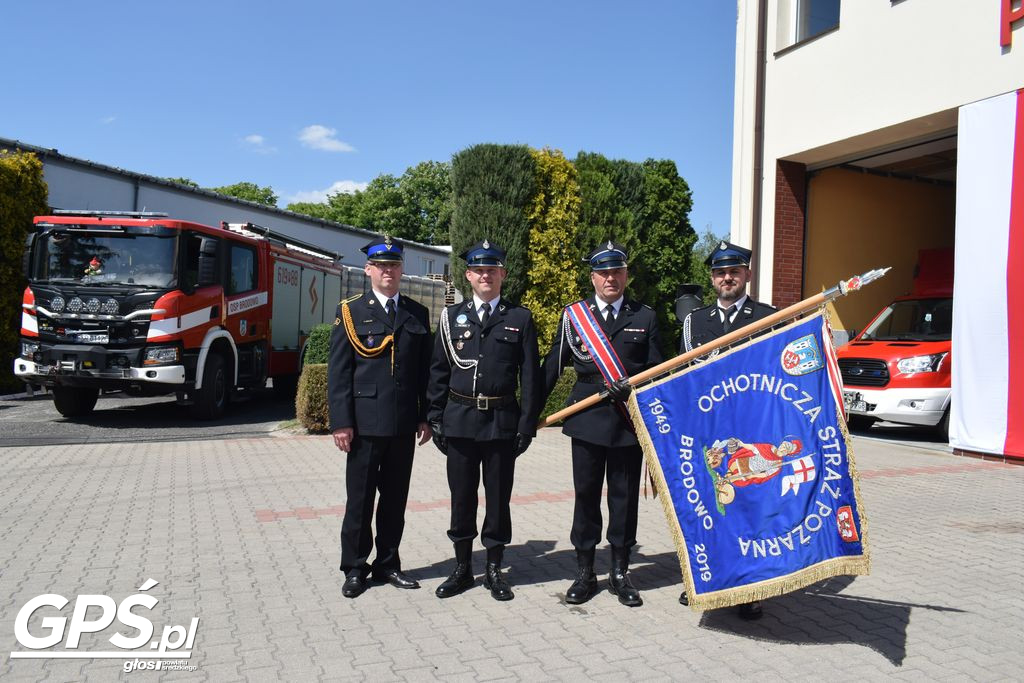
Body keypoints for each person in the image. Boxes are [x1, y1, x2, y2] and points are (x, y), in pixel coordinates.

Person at [541, 241, 663, 607]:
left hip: (627, 421)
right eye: (604, 273)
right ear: (593, 277)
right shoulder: (575, 316)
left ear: (626, 275)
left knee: (624, 500)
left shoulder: (645, 316)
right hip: (587, 419)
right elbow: (553, 364)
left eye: (617, 272)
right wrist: (527, 412)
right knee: (586, 496)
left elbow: (658, 370)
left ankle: (621, 573)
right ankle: (585, 572)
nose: (611, 278)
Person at [427, 239, 541, 601]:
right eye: (479, 270)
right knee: (461, 498)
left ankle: (494, 568)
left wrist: (526, 426)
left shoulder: (519, 318)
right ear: (469, 276)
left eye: (493, 270)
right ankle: (462, 568)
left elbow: (531, 377)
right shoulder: (450, 317)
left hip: (501, 422)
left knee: (497, 499)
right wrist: (435, 418)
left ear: (503, 274)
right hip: (459, 420)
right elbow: (438, 372)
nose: (486, 275)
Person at [328, 235, 433, 599]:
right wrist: (341, 422)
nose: (388, 271)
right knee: (360, 501)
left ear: (402, 269)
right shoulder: (351, 312)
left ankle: (388, 563)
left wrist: (425, 416)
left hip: (403, 424)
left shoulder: (417, 313)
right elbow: (339, 373)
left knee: (394, 500)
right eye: (381, 265)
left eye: (394, 265)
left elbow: (424, 373)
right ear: (369, 269)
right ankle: (355, 567)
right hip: (364, 425)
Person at [678, 239, 775, 620]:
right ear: (712, 278)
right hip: (708, 436)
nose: (727, 278)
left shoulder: (769, 316)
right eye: (720, 272)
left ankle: (749, 588)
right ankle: (702, 581)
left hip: (750, 434)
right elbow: (685, 379)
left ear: (747, 275)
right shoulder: (695, 322)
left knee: (749, 511)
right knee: (706, 509)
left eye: (734, 271)